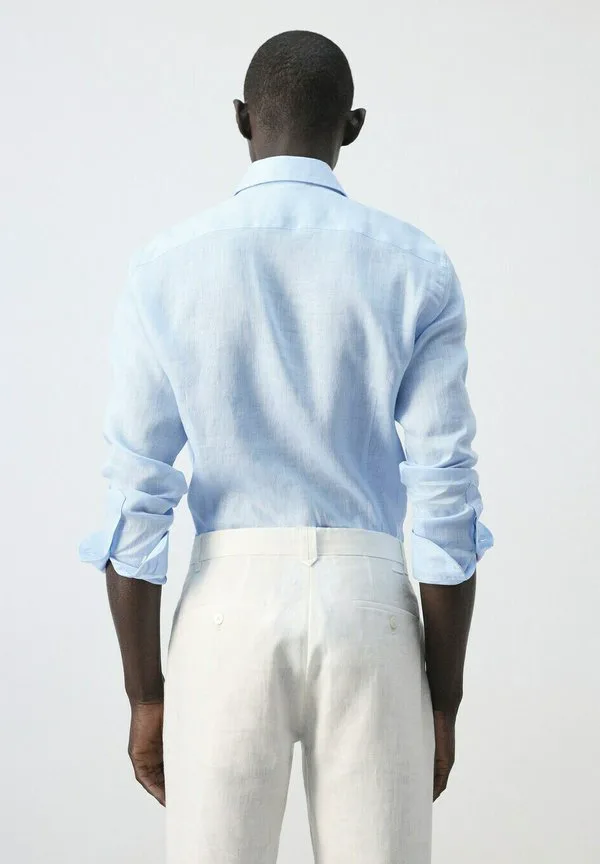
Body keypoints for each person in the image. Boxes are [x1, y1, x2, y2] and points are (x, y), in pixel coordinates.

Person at [78, 28, 494, 864]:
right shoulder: (416, 267)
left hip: (225, 612)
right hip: (371, 610)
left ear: (242, 118)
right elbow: (445, 494)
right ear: (353, 126)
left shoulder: (165, 266)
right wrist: (442, 697)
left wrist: (145, 695)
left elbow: (137, 498)